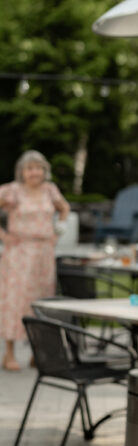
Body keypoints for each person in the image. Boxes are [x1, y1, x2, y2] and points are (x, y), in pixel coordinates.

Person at [0, 150, 69, 371]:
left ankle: (35, 352)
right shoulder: (13, 191)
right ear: (22, 171)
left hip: (44, 254)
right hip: (18, 253)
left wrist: (60, 228)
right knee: (15, 301)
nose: (35, 172)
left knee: (39, 301)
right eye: (30, 168)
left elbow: (64, 208)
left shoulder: (50, 190)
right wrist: (3, 236)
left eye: (38, 168)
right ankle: (9, 353)